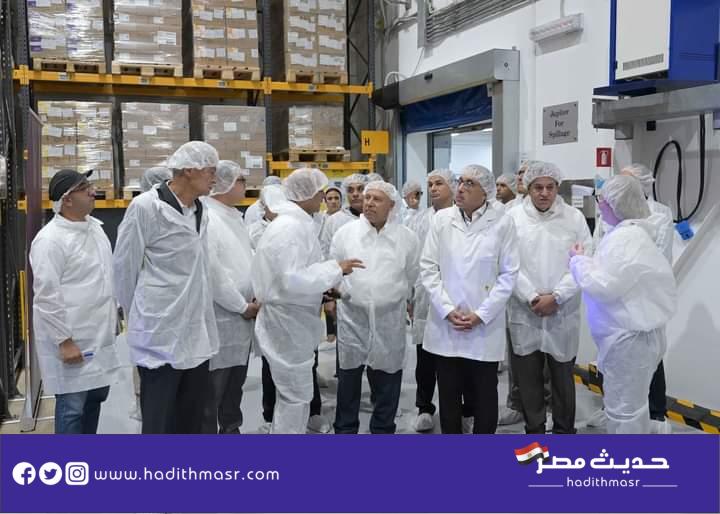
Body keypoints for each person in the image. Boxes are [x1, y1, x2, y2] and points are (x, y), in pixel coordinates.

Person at [114, 141, 220, 434]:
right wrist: (140, 315)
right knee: (160, 422)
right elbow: (124, 268)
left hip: (195, 333)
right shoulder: (146, 207)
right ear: (189, 170)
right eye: (210, 170)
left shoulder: (200, 209)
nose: (215, 177)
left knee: (191, 419)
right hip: (158, 335)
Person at [252, 168, 364, 434]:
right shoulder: (289, 228)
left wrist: (325, 286)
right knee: (294, 396)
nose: (323, 197)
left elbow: (298, 271)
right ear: (305, 194)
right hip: (286, 321)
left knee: (297, 395)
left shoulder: (297, 223)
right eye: (319, 192)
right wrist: (336, 269)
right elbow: (292, 278)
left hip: (293, 318)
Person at [569, 175, 677, 434]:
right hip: (633, 338)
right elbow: (614, 276)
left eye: (602, 200)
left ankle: (627, 458)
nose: (599, 205)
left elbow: (604, 286)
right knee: (630, 408)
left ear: (616, 204)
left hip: (629, 342)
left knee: (624, 413)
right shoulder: (631, 235)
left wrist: (577, 261)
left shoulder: (626, 239)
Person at [420, 164, 519, 434]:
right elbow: (428, 267)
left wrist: (481, 314)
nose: (461, 188)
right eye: (460, 181)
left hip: (484, 326)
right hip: (447, 324)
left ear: (485, 192)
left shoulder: (502, 223)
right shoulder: (442, 220)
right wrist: (447, 309)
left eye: (469, 183)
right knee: (448, 395)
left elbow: (509, 274)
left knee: (485, 394)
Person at [30, 169, 121, 434]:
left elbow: (106, 278)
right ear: (67, 199)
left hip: (99, 335)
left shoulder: (95, 229)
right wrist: (64, 341)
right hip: (73, 339)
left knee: (94, 400)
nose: (93, 191)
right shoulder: (50, 240)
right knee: (72, 408)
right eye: (85, 188)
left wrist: (114, 319)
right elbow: (47, 297)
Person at [506, 161, 592, 434]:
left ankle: (564, 431)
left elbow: (583, 261)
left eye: (550, 187)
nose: (544, 193)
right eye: (538, 187)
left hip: (562, 310)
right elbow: (506, 263)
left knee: (563, 377)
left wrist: (557, 296)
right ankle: (534, 431)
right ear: (528, 188)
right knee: (528, 378)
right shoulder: (513, 218)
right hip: (525, 310)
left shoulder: (574, 218)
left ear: (557, 188)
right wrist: (532, 297)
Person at [331, 181, 420, 434]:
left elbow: (412, 274)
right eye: (367, 197)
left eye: (376, 199)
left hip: (389, 320)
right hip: (353, 318)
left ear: (391, 205)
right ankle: (345, 430)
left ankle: (382, 430)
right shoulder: (346, 234)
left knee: (388, 378)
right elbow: (333, 270)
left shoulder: (406, 238)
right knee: (348, 379)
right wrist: (339, 296)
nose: (368, 203)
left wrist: (397, 297)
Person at [202, 161, 260, 434]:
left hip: (241, 316)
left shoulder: (233, 216)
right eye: (241, 180)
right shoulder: (209, 218)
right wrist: (241, 306)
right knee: (212, 390)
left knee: (234, 385)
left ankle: (231, 430)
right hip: (222, 317)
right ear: (224, 184)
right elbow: (213, 273)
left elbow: (245, 258)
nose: (245, 185)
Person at [406, 169, 456, 433]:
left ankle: (460, 408)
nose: (433, 188)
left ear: (453, 187)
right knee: (424, 358)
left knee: (455, 361)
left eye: (439, 183)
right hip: (425, 296)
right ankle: (424, 407)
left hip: (456, 297)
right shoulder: (419, 220)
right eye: (430, 184)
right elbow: (412, 261)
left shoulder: (462, 217)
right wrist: (410, 296)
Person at [320, 173, 367, 257]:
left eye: (360, 189)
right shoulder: (334, 220)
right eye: (350, 190)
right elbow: (325, 251)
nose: (355, 194)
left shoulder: (377, 219)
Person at [248, 185, 284, 250]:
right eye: (273, 205)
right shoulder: (254, 232)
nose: (278, 210)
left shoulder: (288, 227)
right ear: (264, 206)